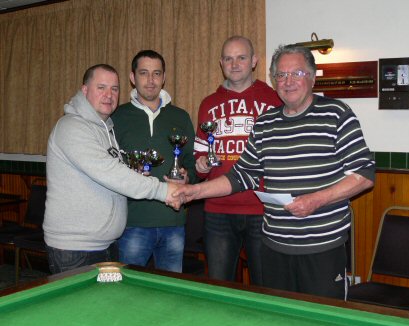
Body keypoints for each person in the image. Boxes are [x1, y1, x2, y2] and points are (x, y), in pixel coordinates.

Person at [175, 44, 375, 299]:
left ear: (312, 77)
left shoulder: (337, 114)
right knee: (277, 322)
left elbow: (364, 174)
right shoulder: (265, 123)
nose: (288, 82)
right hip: (274, 248)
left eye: (297, 74)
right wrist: (194, 190)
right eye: (281, 75)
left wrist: (316, 200)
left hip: (322, 248)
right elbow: (241, 175)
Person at [44, 64, 182, 274]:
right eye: (101, 87)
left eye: (115, 89)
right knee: (83, 308)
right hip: (74, 249)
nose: (109, 95)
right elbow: (109, 172)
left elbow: (109, 173)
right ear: (84, 90)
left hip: (104, 245)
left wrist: (134, 173)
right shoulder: (71, 127)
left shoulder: (106, 129)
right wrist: (164, 191)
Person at [194, 36, 282, 285]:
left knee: (266, 287)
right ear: (221, 63)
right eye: (229, 59)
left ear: (254, 61)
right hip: (218, 210)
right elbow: (200, 156)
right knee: (219, 286)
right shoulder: (208, 104)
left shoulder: (274, 100)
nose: (235, 64)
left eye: (241, 57)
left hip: (262, 209)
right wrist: (201, 166)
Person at [112, 50, 197, 273]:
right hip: (132, 223)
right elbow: (108, 167)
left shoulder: (180, 116)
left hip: (173, 222)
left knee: (170, 292)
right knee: (129, 291)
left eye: (156, 73)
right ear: (132, 77)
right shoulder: (116, 117)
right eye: (144, 73)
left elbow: (192, 162)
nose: (151, 80)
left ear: (164, 77)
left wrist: (188, 176)